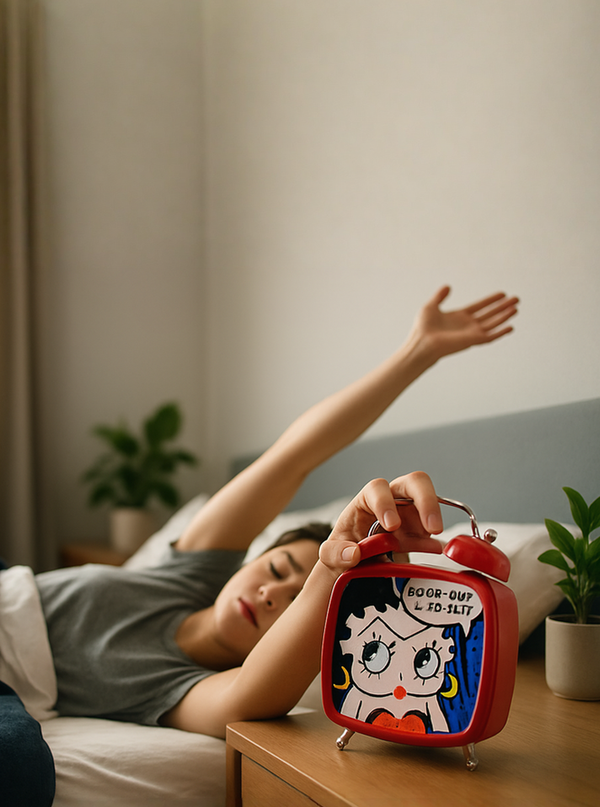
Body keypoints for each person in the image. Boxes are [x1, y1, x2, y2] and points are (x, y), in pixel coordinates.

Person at [36, 285, 518, 739]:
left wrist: (333, 570)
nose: (271, 595)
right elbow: (294, 455)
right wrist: (417, 352)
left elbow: (246, 698)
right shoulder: (191, 572)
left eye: (293, 603)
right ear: (250, 559)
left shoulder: (178, 686)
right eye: (278, 569)